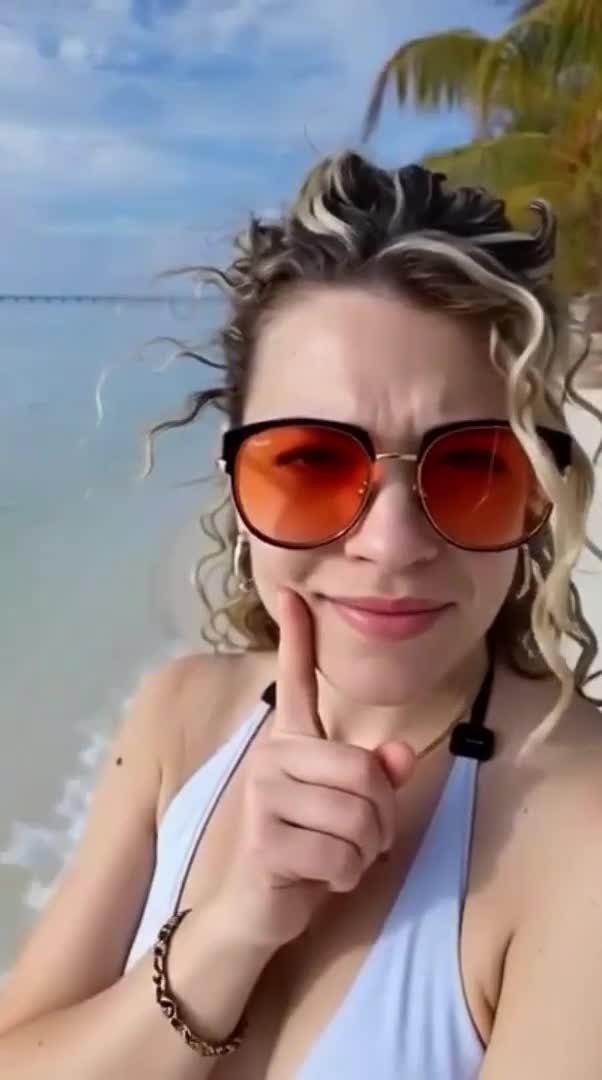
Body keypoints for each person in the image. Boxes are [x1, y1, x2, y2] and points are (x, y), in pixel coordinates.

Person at [1, 152, 602, 1080]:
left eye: (472, 466)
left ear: (539, 493)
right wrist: (236, 924)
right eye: (313, 462)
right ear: (234, 479)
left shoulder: (579, 826)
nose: (391, 545)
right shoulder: (180, 716)